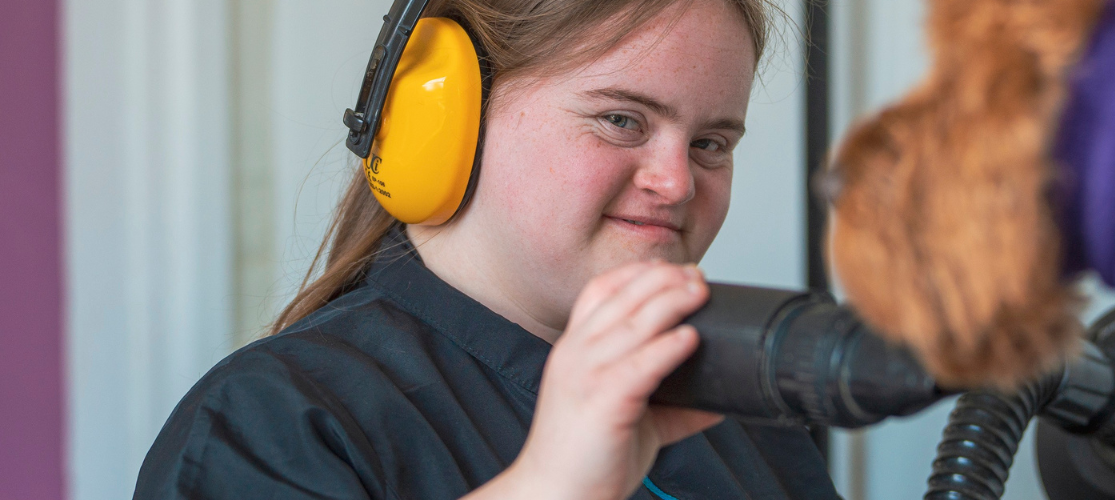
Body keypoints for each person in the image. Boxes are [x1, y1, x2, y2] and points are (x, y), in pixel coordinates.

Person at [133, 0, 839, 498]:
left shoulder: (732, 410)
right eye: (622, 120)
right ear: (442, 120)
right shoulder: (269, 425)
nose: (677, 182)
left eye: (710, 144)